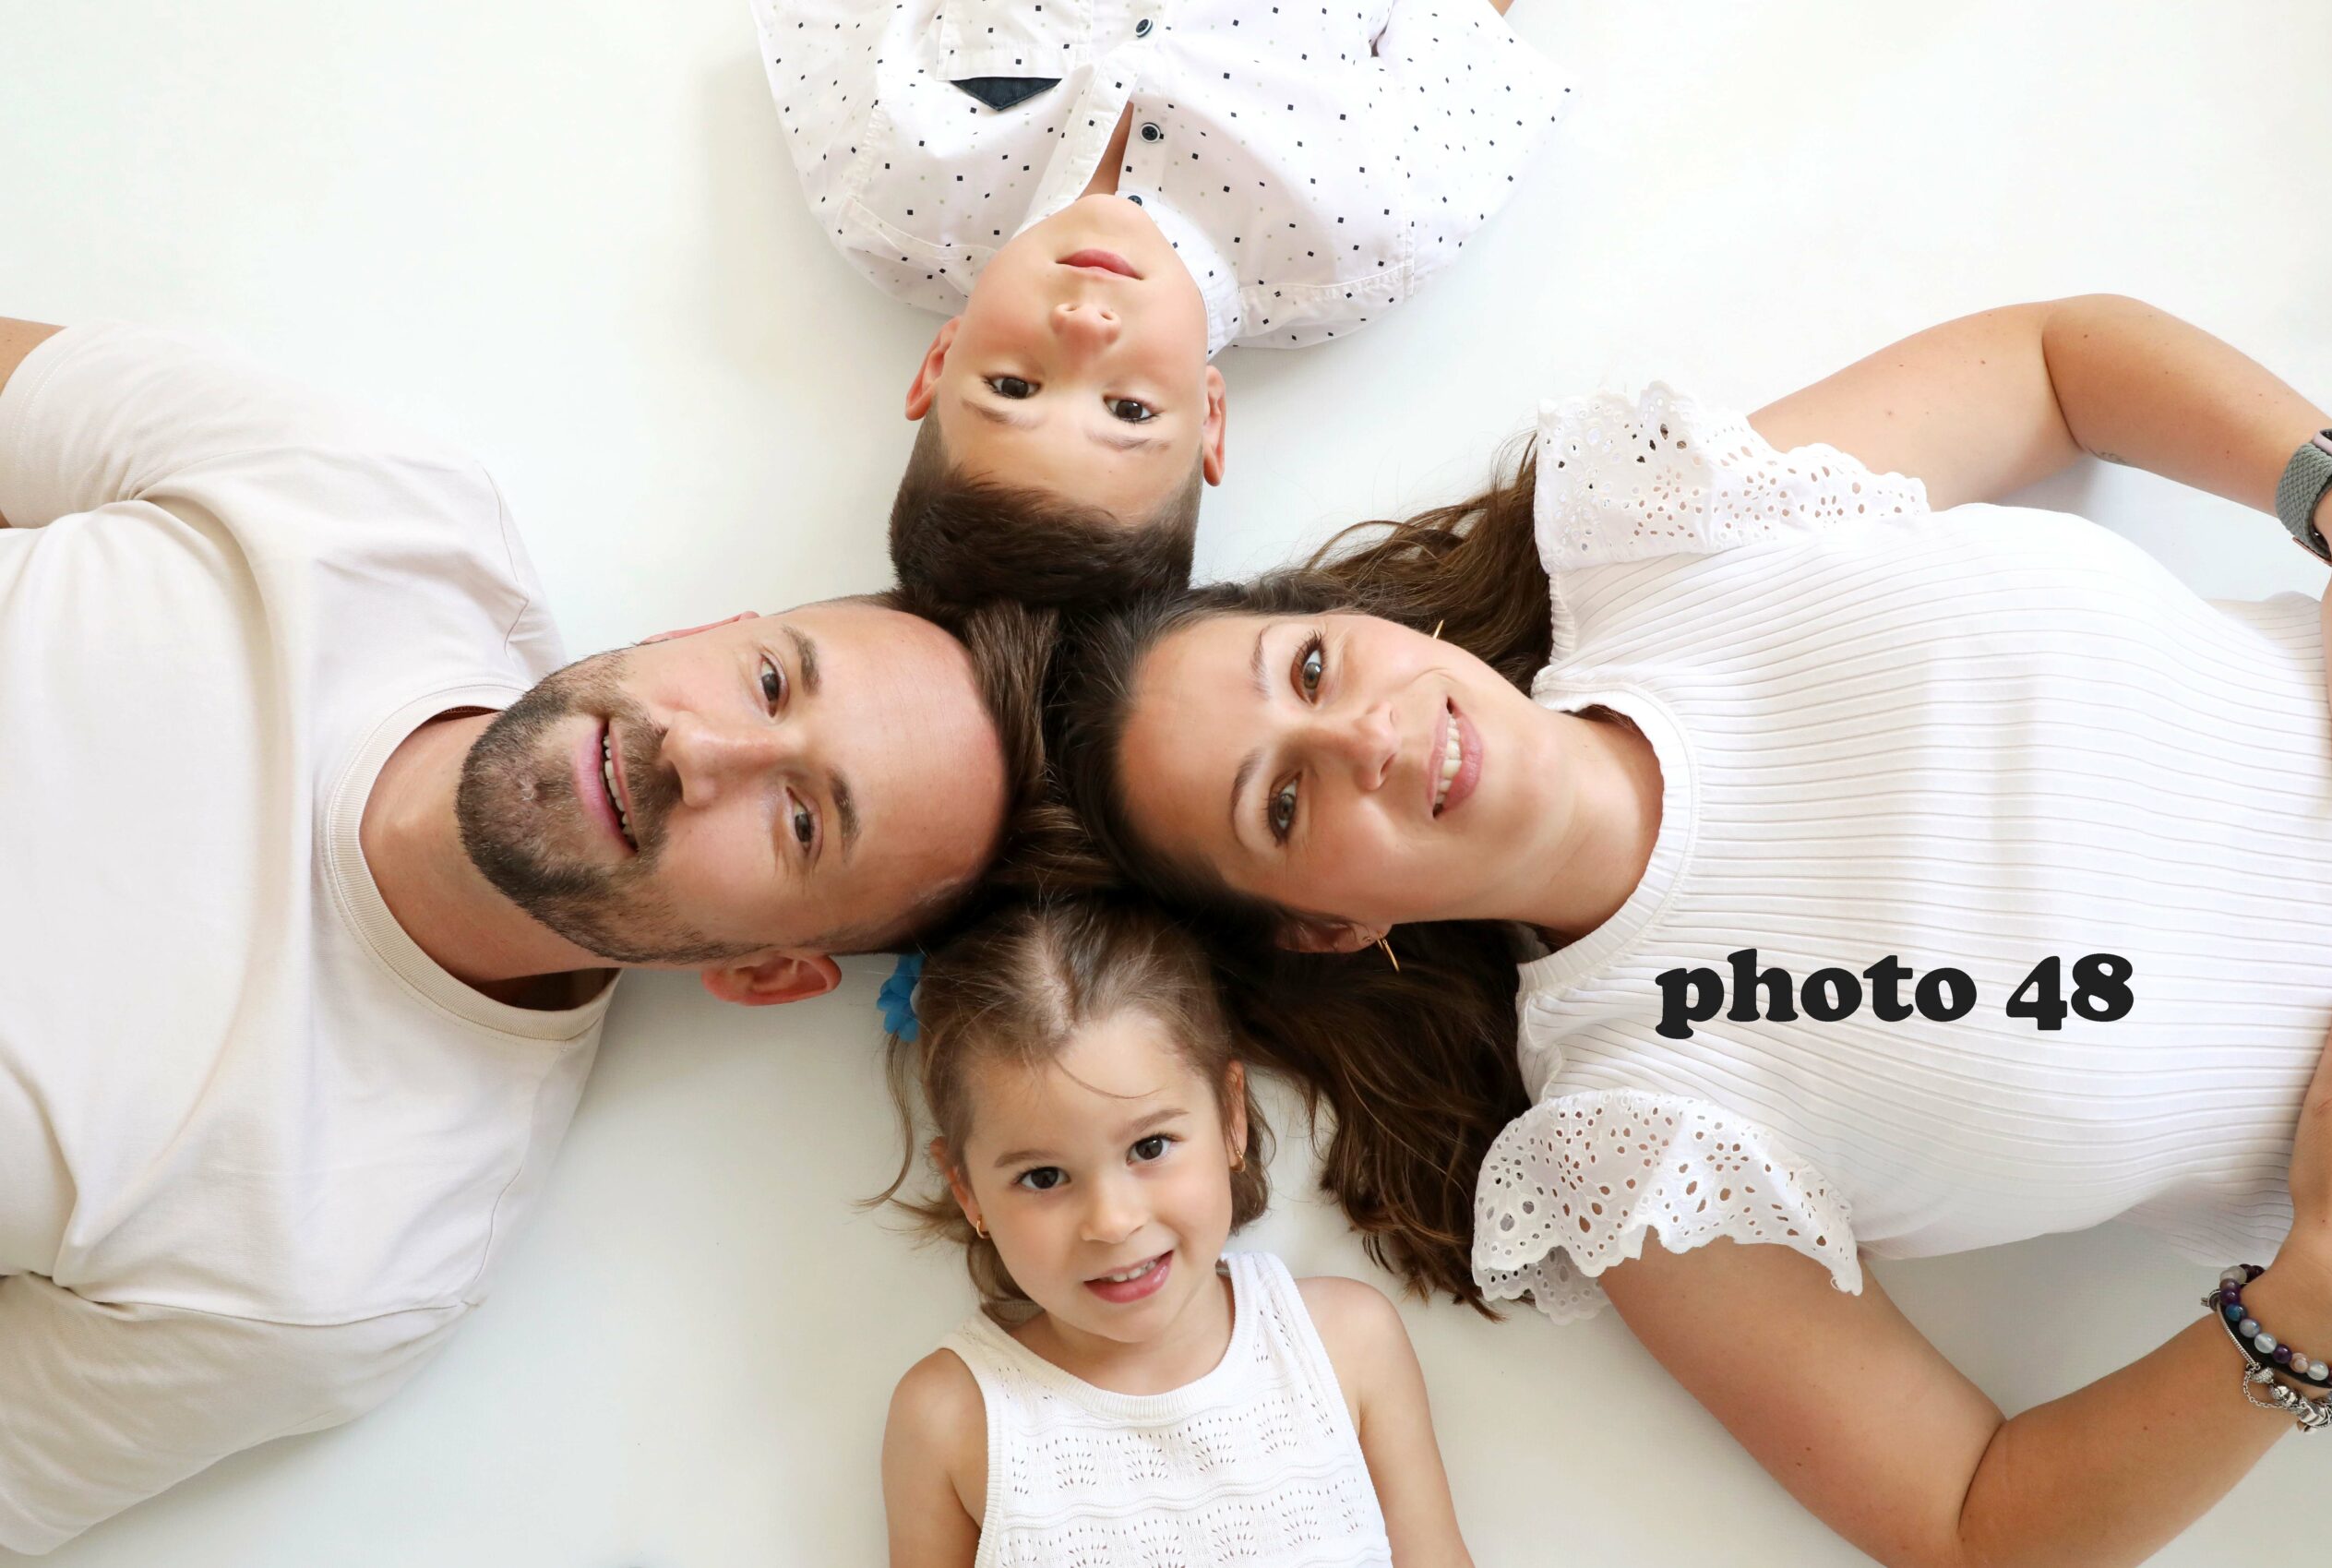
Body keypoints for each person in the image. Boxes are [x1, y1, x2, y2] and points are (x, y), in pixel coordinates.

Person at [1050, 293, 2332, 1566]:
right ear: (1327, 928)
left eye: (1310, 667)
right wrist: (2308, 1308)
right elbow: (1973, 1521)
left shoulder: (1666, 536)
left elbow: (2058, 362)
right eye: (1282, 802)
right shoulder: (1636, 1144)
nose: (1363, 736)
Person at [0, 317, 1052, 1554]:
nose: (701, 749)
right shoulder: (375, 512)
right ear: (702, 630)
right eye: (768, 681)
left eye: (802, 819)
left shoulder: (341, 1262)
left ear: (764, 972)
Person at [752, 0, 1570, 610]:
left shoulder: (886, 193)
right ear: (1209, 417)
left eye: (1012, 387)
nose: (1083, 329)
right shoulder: (1369, 235)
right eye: (1129, 410)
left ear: (939, 360)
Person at [875, 898, 1470, 1566]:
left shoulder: (1344, 1344)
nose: (1112, 1221)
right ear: (966, 1189)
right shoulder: (951, 1420)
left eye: (1150, 1146)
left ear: (1232, 1117)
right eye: (1043, 1177)